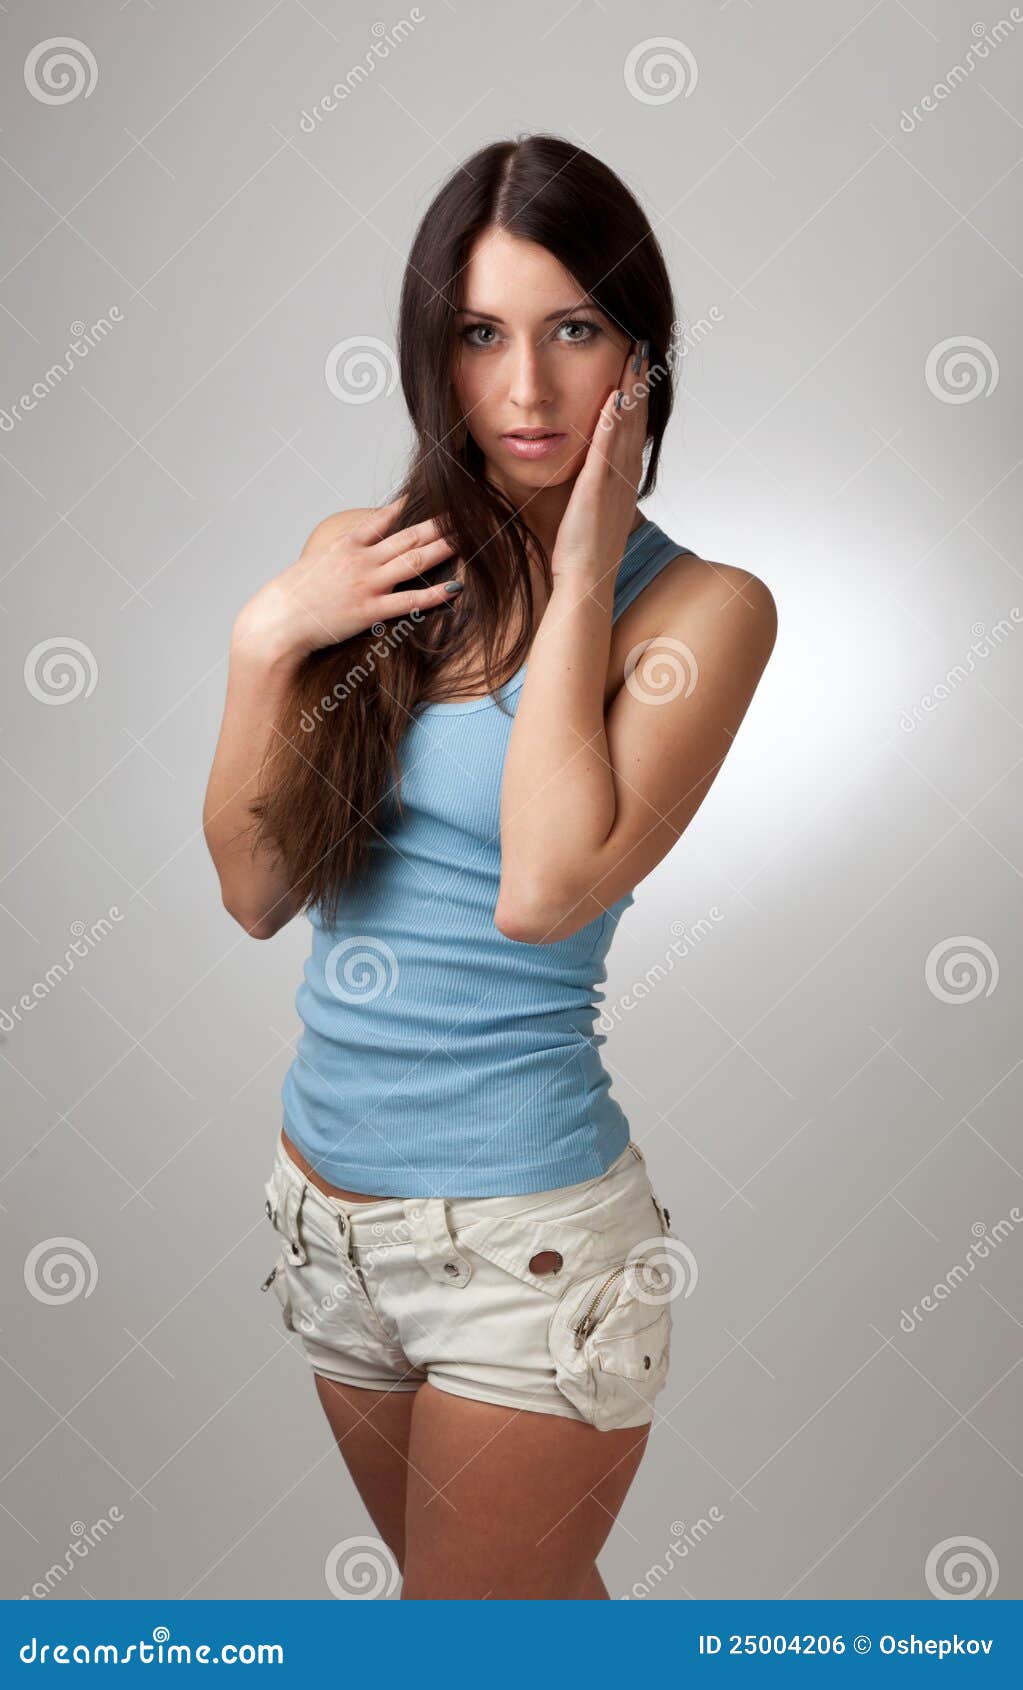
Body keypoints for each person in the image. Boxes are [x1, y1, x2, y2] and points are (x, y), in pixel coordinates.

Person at [203, 133, 777, 1599]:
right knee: (491, 1623)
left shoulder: (701, 610)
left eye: (574, 330)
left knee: (473, 1631)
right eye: (481, 335)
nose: (526, 390)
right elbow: (256, 890)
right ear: (433, 355)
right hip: (324, 1216)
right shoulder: (366, 561)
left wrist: (579, 570)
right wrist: (270, 636)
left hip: (523, 1249)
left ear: (639, 358)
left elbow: (541, 888)